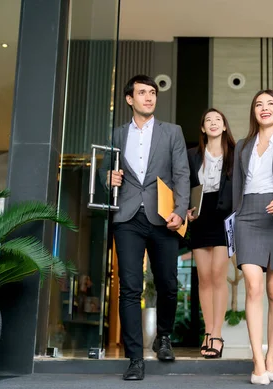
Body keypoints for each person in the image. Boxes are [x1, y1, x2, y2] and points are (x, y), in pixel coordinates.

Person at [99, 74, 190, 381]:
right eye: (142, 93)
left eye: (152, 93)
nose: (149, 97)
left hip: (163, 216)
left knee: (167, 283)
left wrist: (180, 211)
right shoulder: (117, 134)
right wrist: (107, 178)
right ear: (130, 99)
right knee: (129, 288)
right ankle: (135, 358)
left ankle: (163, 337)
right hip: (127, 217)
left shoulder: (172, 132)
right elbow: (105, 171)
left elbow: (182, 174)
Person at [232, 89, 273, 385]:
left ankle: (272, 355)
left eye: (270, 103)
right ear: (253, 112)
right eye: (258, 104)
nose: (264, 108)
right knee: (254, 286)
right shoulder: (243, 145)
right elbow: (235, 186)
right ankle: (257, 362)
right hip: (247, 214)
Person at [186, 108, 235, 359]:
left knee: (218, 275)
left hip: (224, 217)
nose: (214, 123)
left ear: (224, 126)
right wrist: (185, 209)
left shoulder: (235, 154)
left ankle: (217, 334)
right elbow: (184, 185)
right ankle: (208, 331)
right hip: (200, 216)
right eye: (208, 120)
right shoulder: (193, 155)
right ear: (203, 129)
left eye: (218, 120)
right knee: (204, 277)